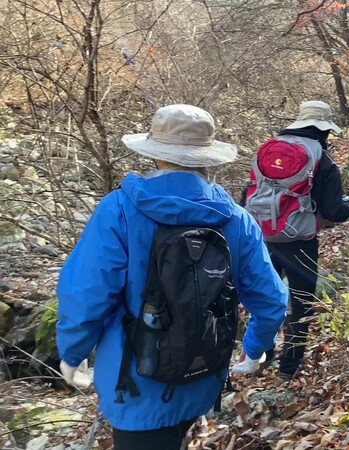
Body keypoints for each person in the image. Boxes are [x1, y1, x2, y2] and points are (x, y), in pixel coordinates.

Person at [56, 104, 288, 449]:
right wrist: (254, 350)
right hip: (202, 372)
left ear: (155, 155)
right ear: (207, 158)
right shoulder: (236, 219)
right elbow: (271, 299)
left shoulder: (118, 209)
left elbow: (87, 293)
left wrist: (72, 354)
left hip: (134, 384)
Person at [233, 101, 349, 381]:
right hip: (300, 241)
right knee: (301, 303)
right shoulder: (322, 160)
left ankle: (260, 358)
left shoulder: (267, 150)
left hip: (262, 236)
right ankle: (288, 370)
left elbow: (249, 193)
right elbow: (333, 212)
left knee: (266, 300)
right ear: (324, 129)